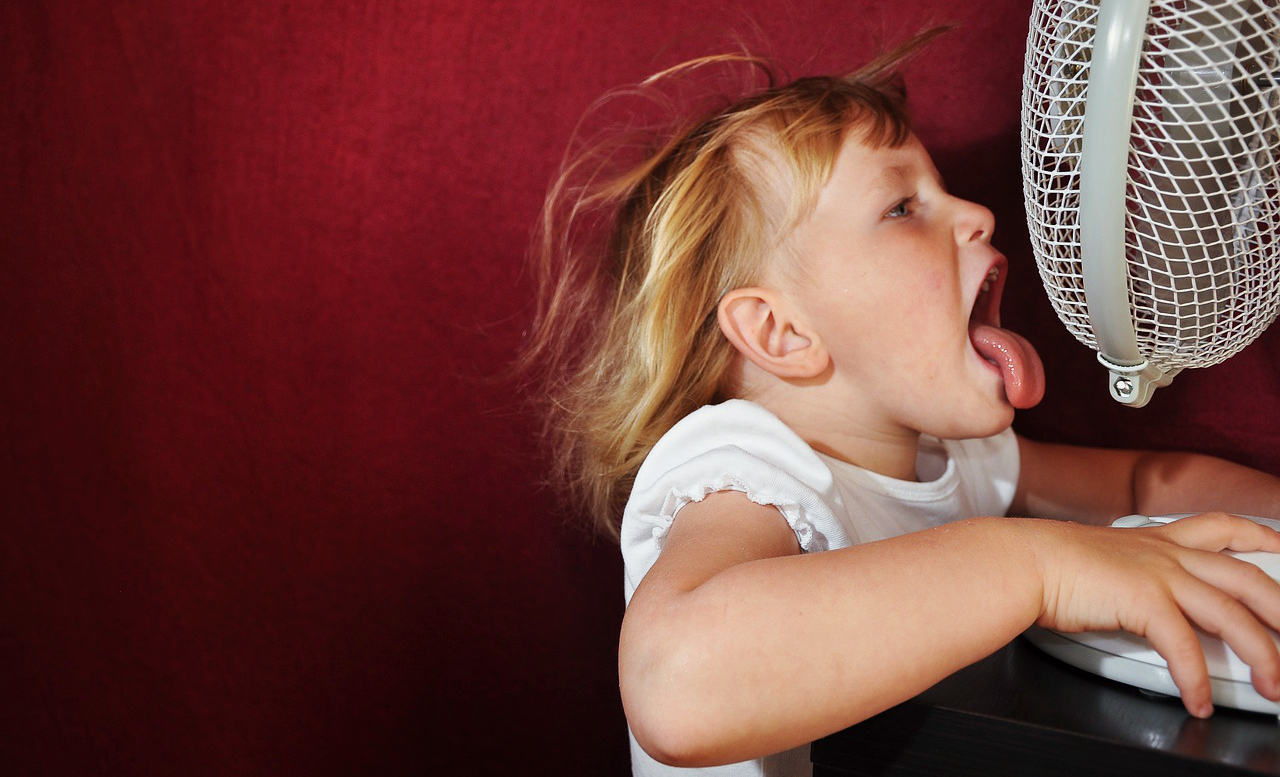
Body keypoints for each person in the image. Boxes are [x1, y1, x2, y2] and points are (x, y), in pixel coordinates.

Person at [522, 29, 1280, 777]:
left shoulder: (954, 460)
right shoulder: (743, 468)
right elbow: (675, 686)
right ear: (780, 332)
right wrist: (1039, 565)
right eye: (902, 209)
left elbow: (1151, 482)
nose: (977, 215)